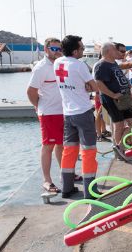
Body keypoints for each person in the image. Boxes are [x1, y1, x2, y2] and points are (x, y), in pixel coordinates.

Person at [54, 35, 98, 199]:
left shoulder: (58, 63)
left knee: (69, 151)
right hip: (83, 113)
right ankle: (90, 191)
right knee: (88, 151)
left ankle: (67, 188)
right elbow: (94, 87)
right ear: (75, 51)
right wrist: (86, 87)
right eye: (81, 49)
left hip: (68, 114)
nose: (83, 51)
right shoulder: (79, 65)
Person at [93, 42, 132, 157]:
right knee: (118, 124)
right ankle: (120, 151)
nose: (117, 52)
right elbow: (99, 83)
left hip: (122, 99)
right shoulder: (101, 65)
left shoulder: (113, 63)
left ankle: (119, 147)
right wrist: (113, 95)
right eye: (115, 50)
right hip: (112, 100)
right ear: (109, 51)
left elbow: (127, 65)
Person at [27, 37, 65, 194]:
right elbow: (30, 91)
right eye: (53, 49)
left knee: (62, 145)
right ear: (46, 49)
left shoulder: (61, 64)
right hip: (49, 112)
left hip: (63, 111)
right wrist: (37, 106)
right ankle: (47, 180)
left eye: (59, 48)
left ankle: (66, 174)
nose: (57, 52)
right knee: (48, 146)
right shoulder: (41, 68)